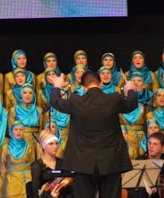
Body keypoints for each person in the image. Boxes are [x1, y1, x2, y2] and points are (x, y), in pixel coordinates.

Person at [50, 70, 137, 198]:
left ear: (83, 87)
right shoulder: (113, 99)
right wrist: (130, 90)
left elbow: (55, 101)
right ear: (100, 83)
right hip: (110, 162)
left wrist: (57, 86)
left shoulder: (76, 101)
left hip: (83, 163)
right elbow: (131, 104)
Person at [29, 129, 73, 198]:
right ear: (43, 146)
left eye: (56, 143)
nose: (55, 146)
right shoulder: (37, 166)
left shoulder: (62, 163)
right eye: (51, 144)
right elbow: (35, 192)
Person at [0, 121, 35, 198]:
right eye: (16, 129)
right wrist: (6, 179)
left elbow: (32, 163)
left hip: (25, 180)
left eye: (21, 129)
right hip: (11, 181)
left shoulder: (29, 147)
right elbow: (2, 166)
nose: (18, 132)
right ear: (11, 131)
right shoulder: (5, 147)